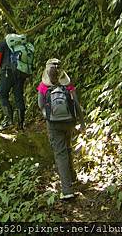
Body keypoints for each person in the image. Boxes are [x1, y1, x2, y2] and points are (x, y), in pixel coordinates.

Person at [37, 58, 85, 200]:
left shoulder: (43, 86)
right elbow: (76, 103)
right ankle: (73, 177)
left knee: (60, 153)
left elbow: (40, 104)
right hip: (69, 121)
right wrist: (82, 123)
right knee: (67, 147)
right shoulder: (67, 84)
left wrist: (48, 113)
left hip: (53, 124)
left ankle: (67, 190)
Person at [0, 33, 34, 130]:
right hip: (20, 72)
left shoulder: (3, 43)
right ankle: (21, 124)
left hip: (7, 72)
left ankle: (9, 120)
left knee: (3, 95)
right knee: (19, 97)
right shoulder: (21, 44)